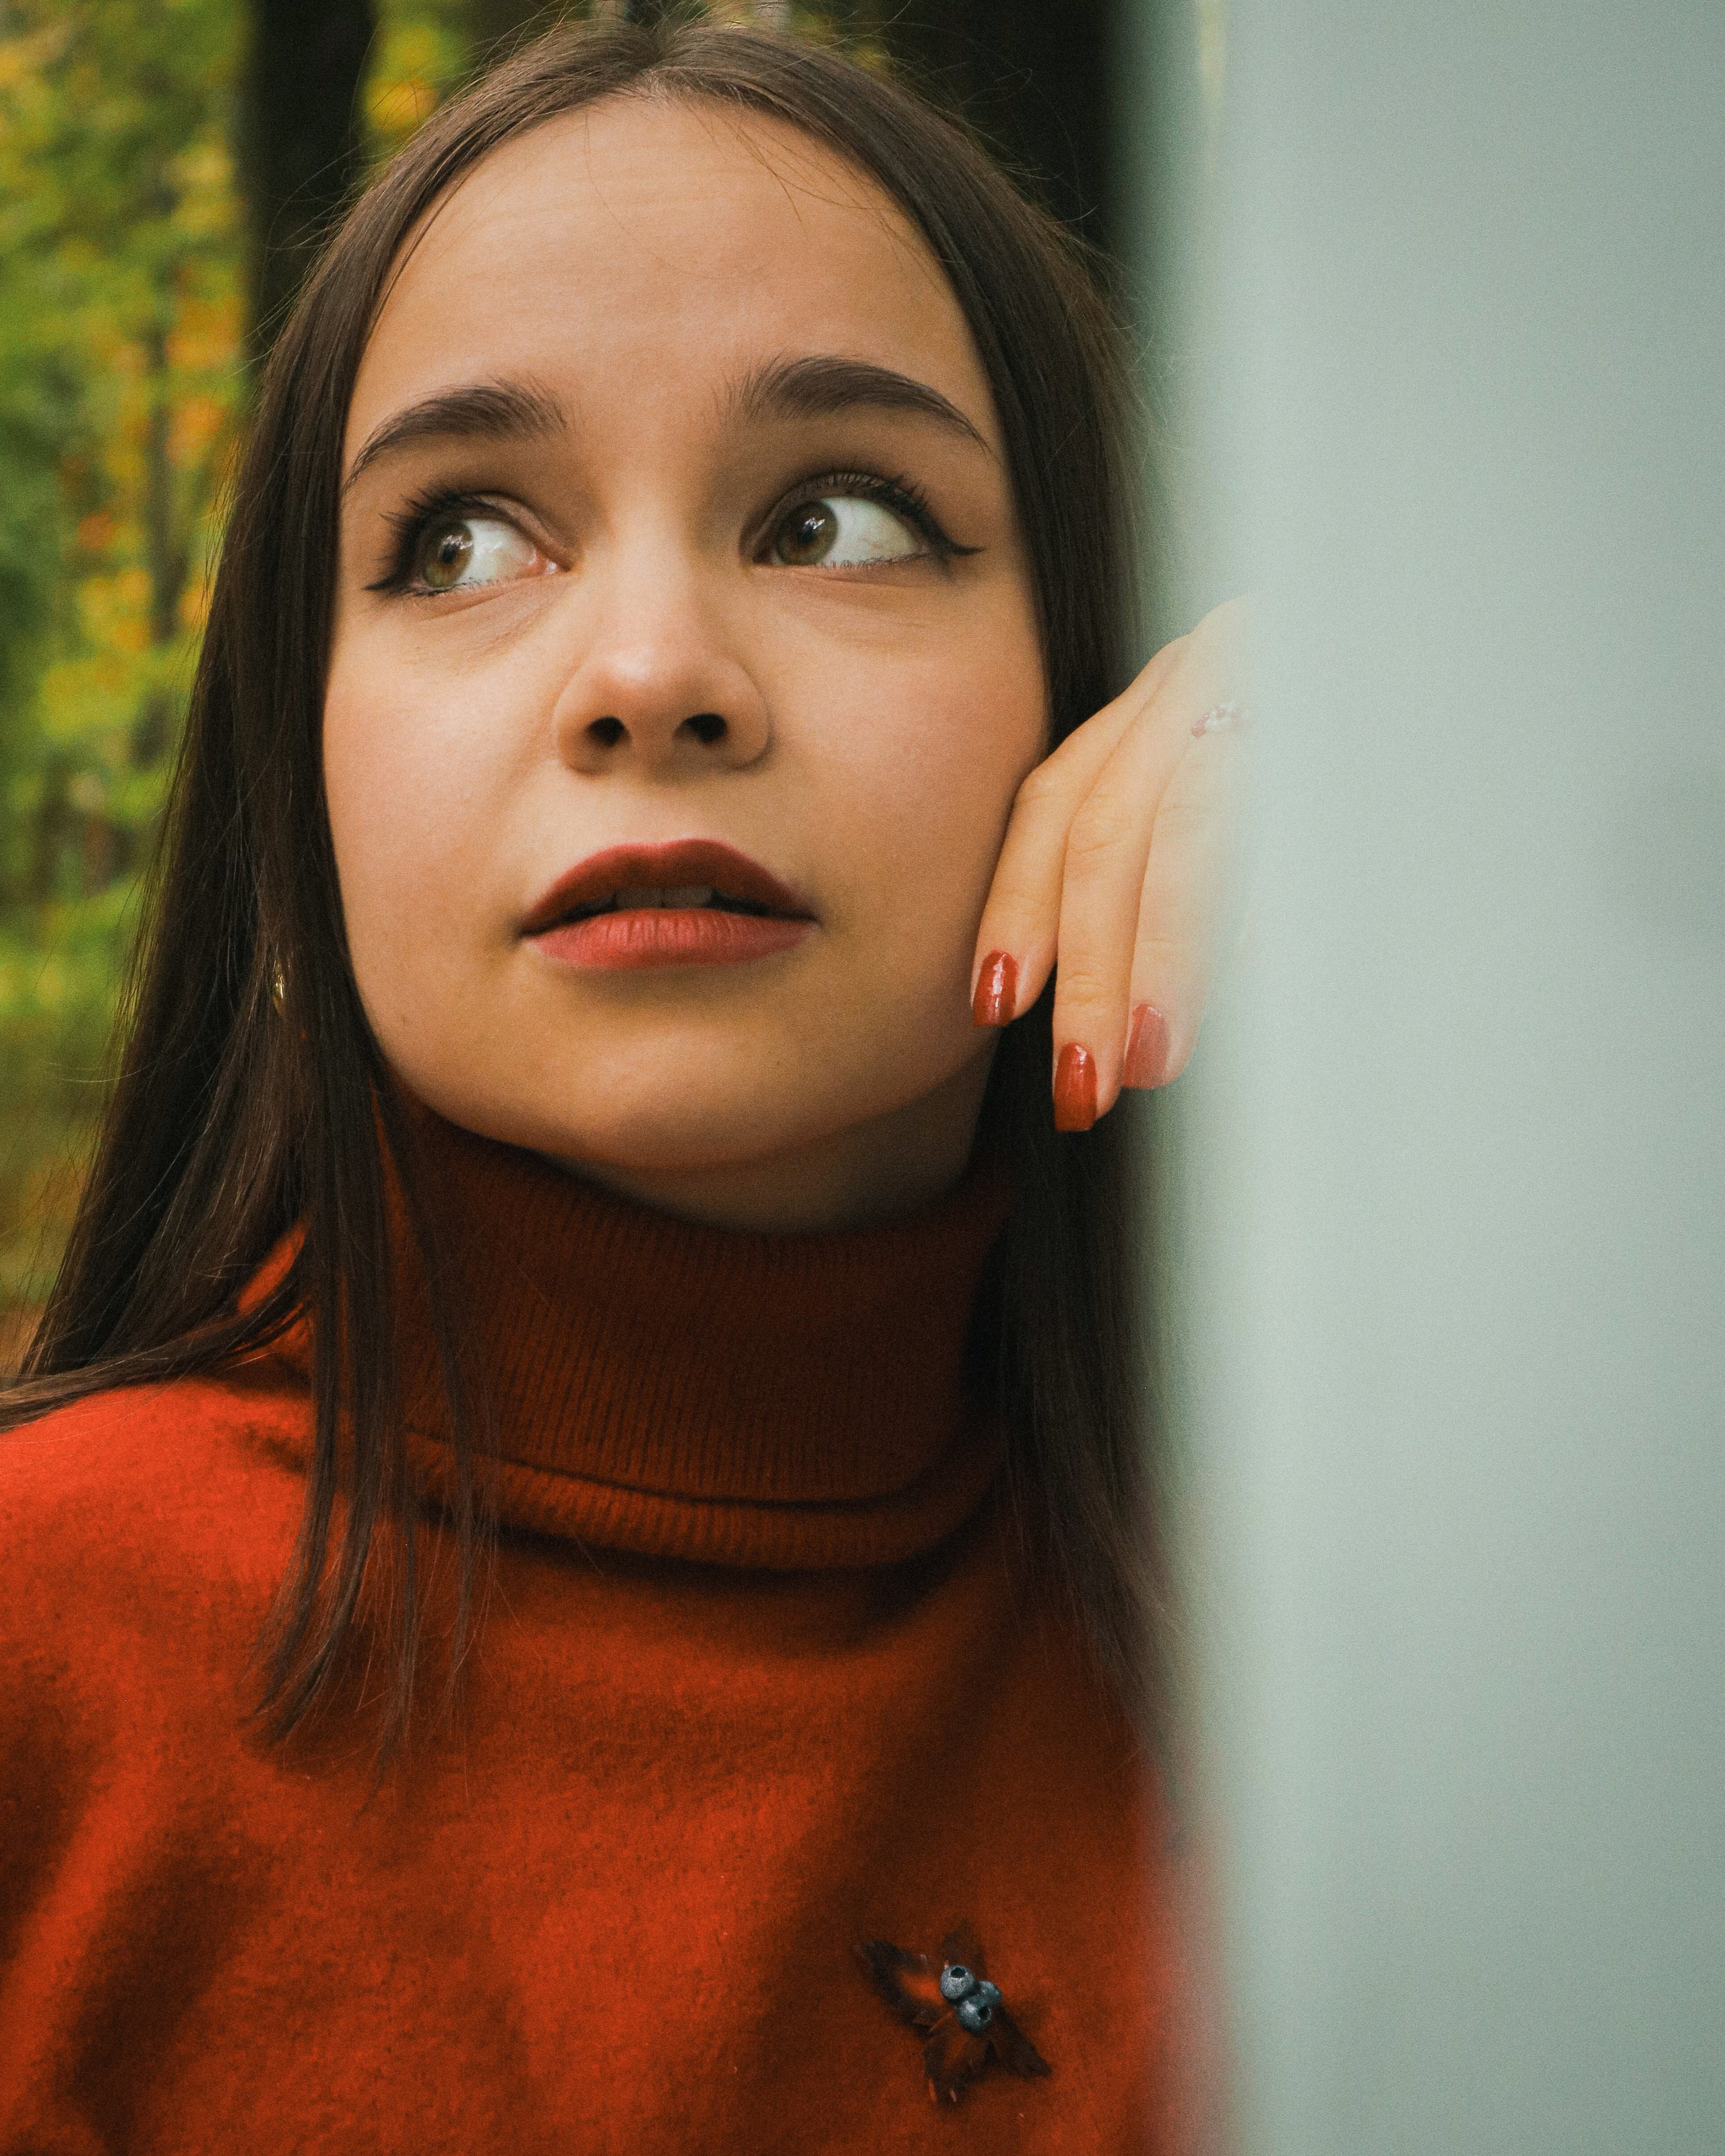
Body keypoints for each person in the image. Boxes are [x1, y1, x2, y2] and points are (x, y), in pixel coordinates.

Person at [0, 21, 1241, 2151]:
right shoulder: (38, 1664)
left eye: (837, 517)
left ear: (1097, 688)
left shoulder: (1383, 1670)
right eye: (464, 543)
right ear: (303, 774)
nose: (652, 675)